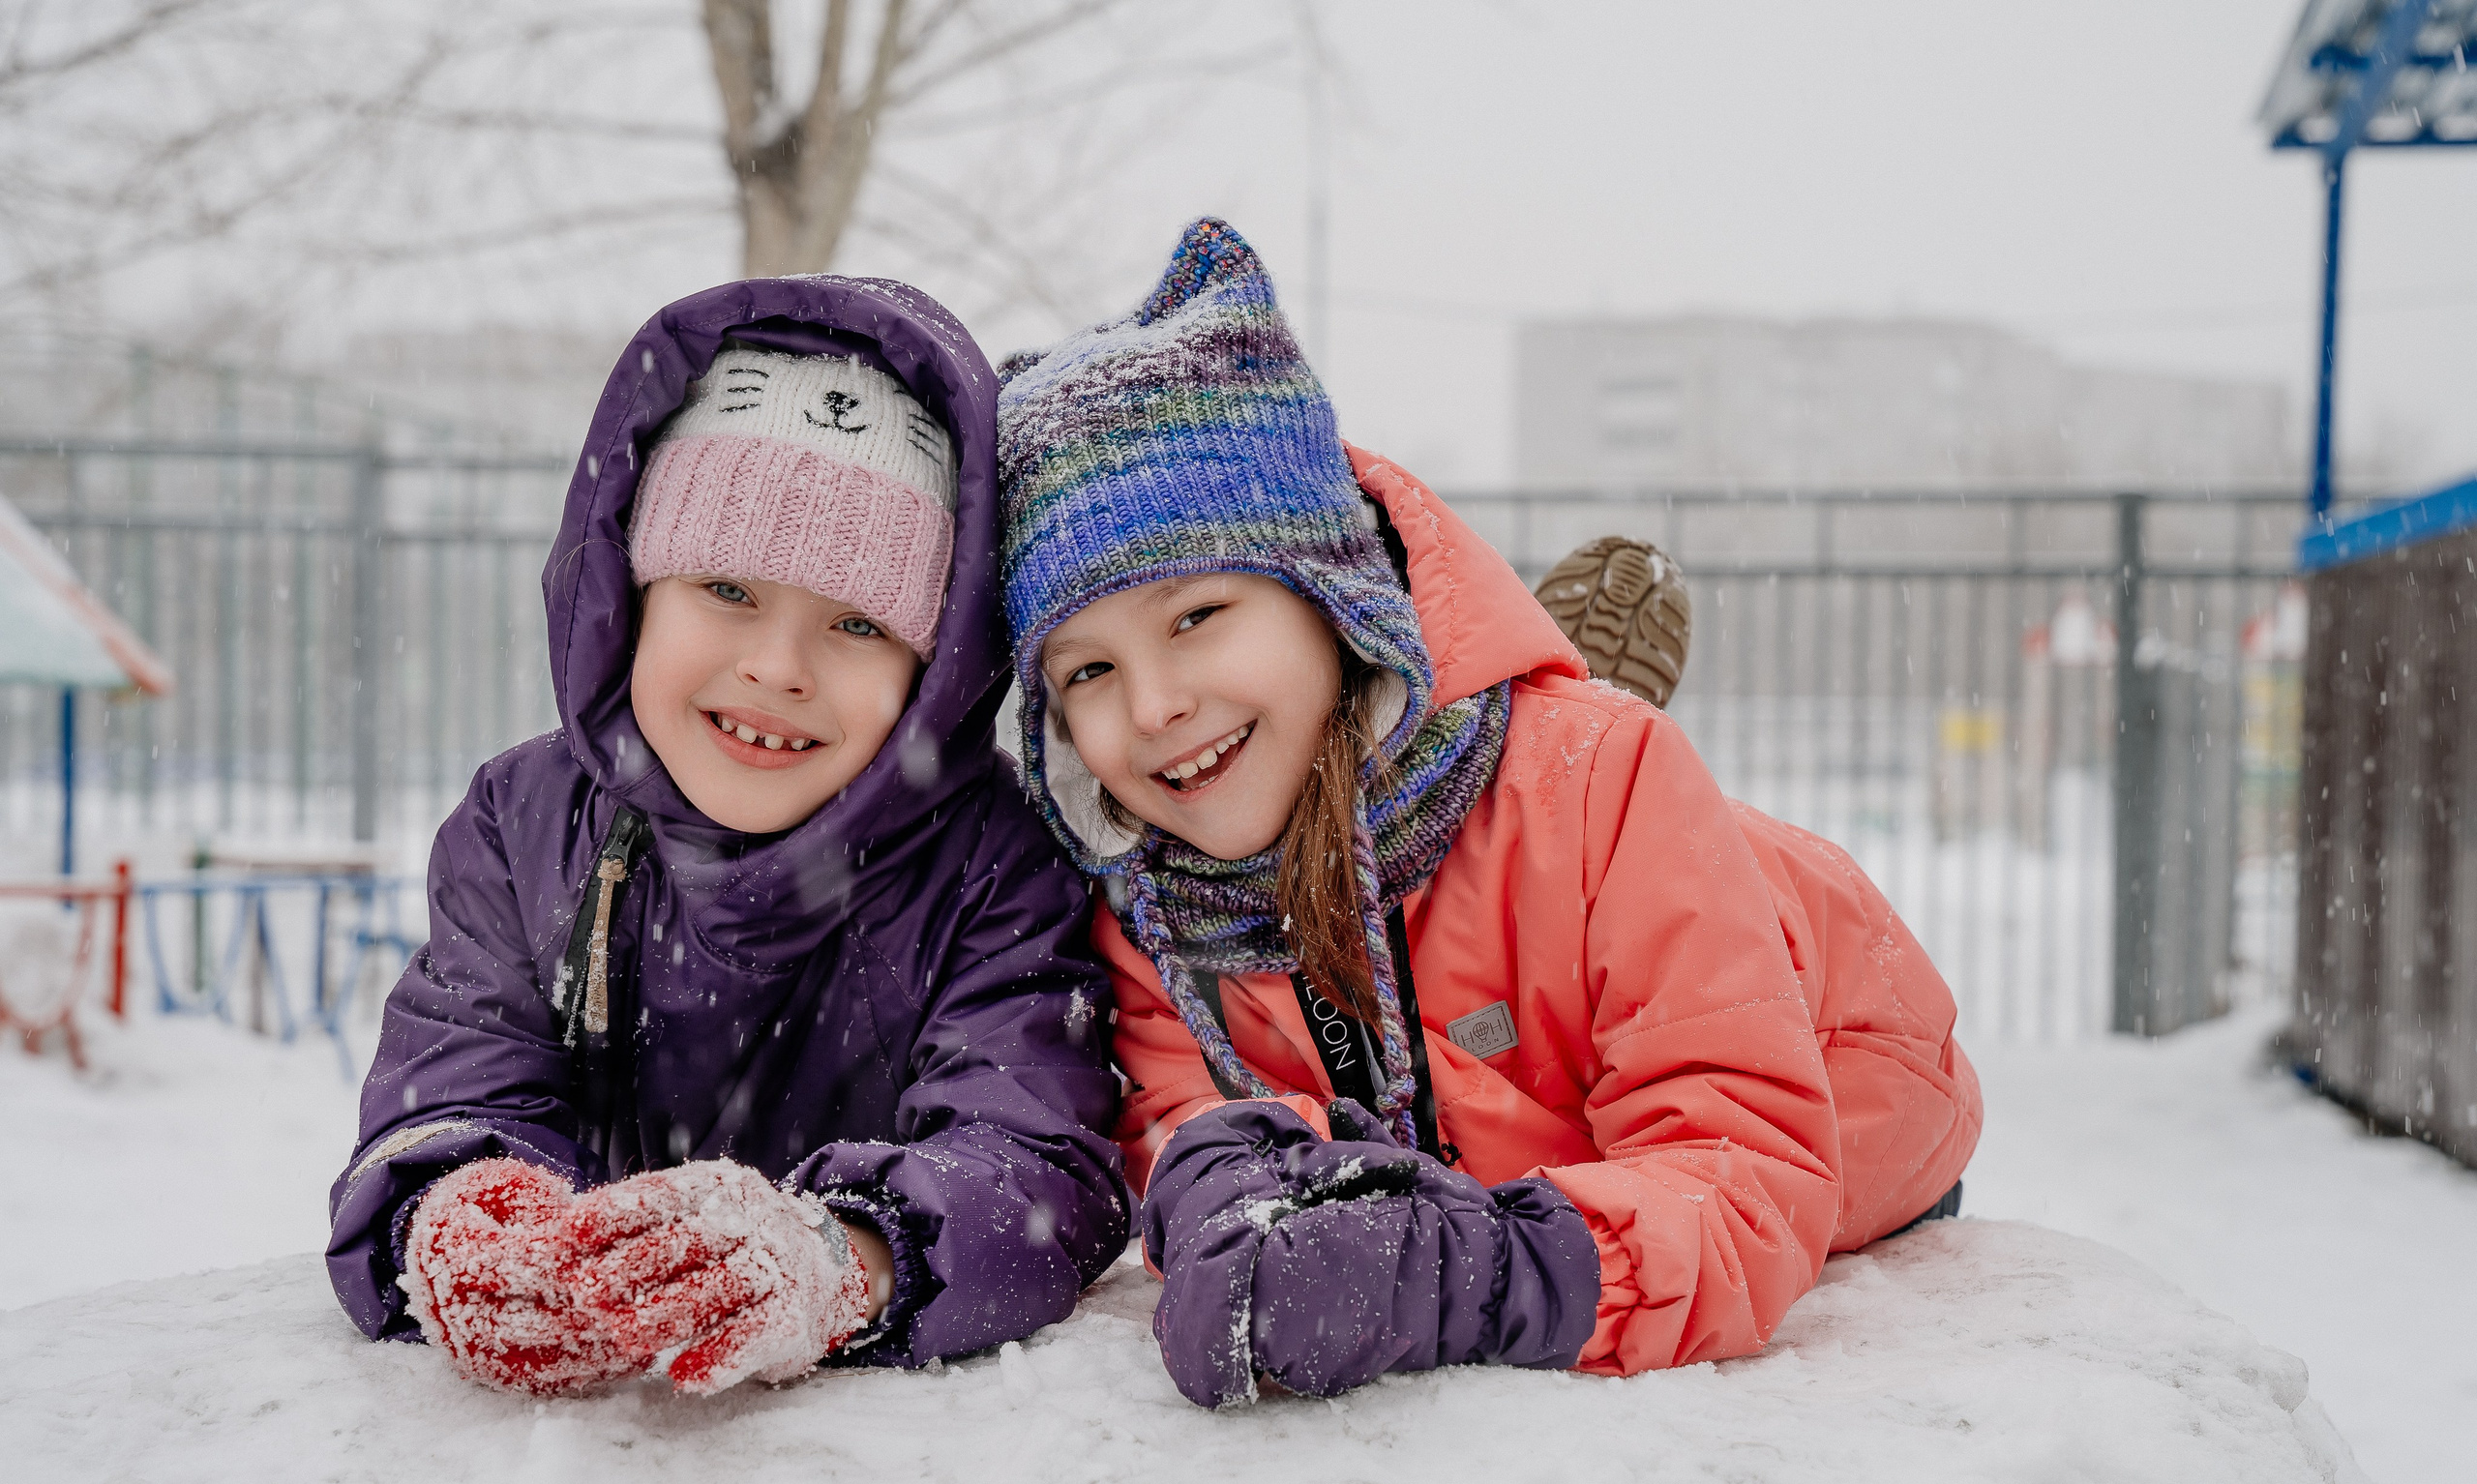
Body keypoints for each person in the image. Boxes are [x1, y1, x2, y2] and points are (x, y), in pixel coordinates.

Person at [996, 219, 1980, 1409]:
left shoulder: (1612, 787)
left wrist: (1453, 1271)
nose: (1152, 706)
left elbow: (1742, 1183)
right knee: (1497, 959)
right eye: (1086, 673)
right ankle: (1470, 718)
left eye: (1198, 616)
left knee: (1584, 802)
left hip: (1839, 1056)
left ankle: (1517, 714)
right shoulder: (1149, 903)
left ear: (1333, 598)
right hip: (1490, 1015)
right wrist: (1227, 1200)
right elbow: (1178, 1112)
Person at [326, 276, 1127, 1398]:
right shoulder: (523, 827)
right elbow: (456, 1080)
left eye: (856, 623)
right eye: (726, 589)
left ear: (938, 670)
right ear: (633, 592)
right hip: (593, 1449)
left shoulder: (995, 866)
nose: (778, 668)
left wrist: (842, 1257)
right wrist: (461, 1210)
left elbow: (1034, 1161)